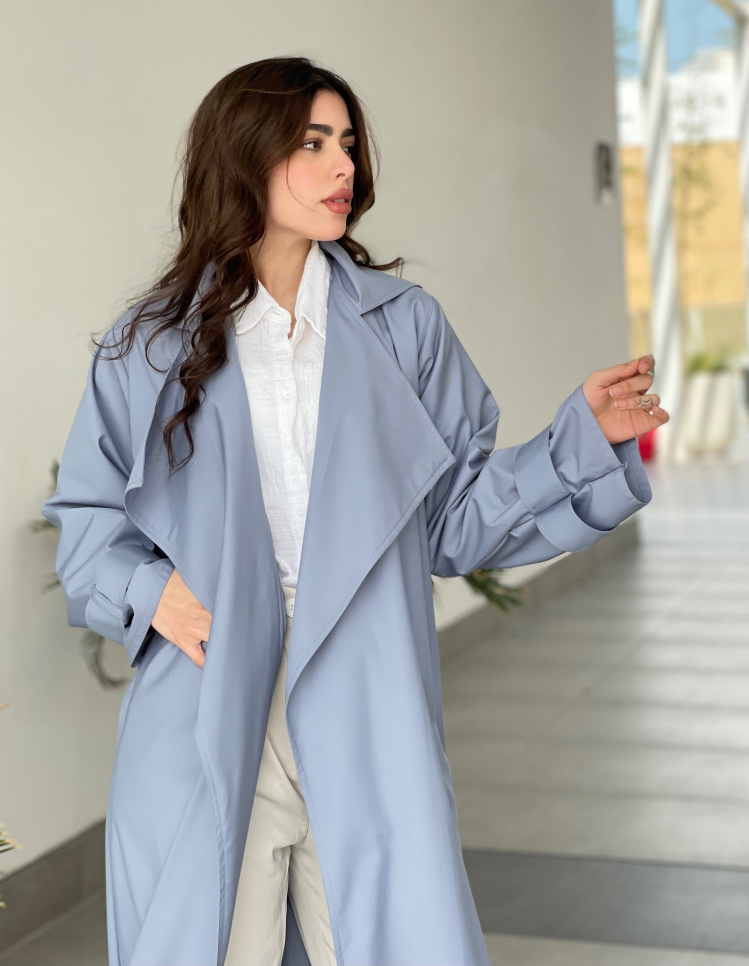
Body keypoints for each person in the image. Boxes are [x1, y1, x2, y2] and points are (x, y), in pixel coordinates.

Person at [42, 56, 668, 966]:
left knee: (382, 941)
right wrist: (151, 594)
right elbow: (88, 517)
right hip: (211, 696)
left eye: (346, 144)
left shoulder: (404, 327)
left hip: (368, 688)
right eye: (312, 143)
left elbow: (454, 518)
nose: (344, 166)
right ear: (244, 156)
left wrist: (580, 441)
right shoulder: (150, 345)